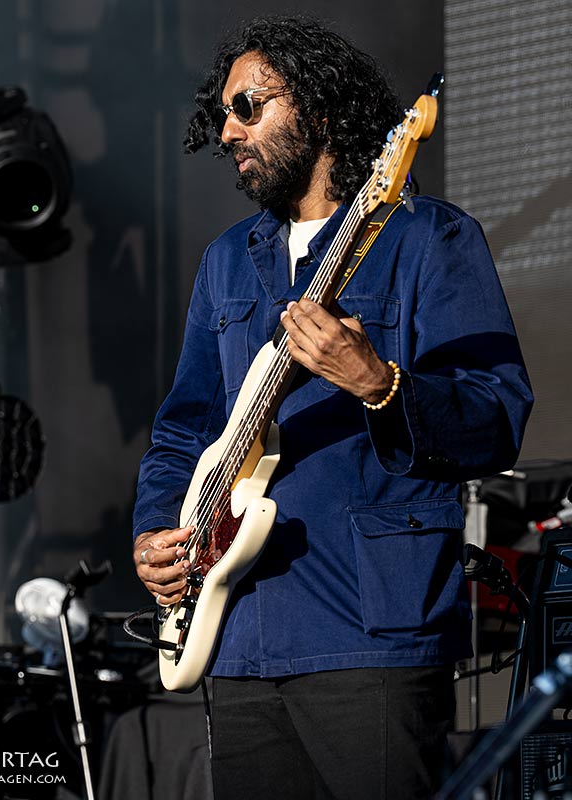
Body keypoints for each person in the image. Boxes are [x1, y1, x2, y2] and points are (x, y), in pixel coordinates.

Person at [130, 16, 532, 800]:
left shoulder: (429, 240)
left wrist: (379, 383)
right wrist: (155, 529)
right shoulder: (225, 262)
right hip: (239, 638)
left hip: (369, 634)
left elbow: (494, 416)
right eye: (221, 114)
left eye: (248, 107)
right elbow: (184, 429)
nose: (226, 131)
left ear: (316, 111)